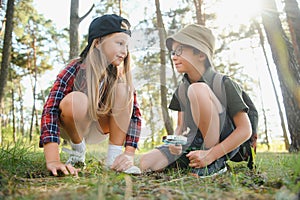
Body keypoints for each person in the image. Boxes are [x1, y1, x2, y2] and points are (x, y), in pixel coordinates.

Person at [140, 24, 252, 177]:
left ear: (201, 54)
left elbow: (245, 130)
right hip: (193, 141)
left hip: (220, 145)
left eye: (180, 50)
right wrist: (175, 144)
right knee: (146, 162)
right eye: (173, 52)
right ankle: (192, 160)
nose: (173, 56)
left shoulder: (224, 83)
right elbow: (181, 127)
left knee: (197, 90)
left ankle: (213, 163)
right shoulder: (181, 90)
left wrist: (211, 154)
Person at [39, 14, 142, 176]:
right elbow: (50, 110)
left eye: (127, 46)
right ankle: (78, 151)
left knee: (124, 89)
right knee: (77, 100)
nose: (125, 51)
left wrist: (128, 154)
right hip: (72, 125)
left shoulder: (120, 75)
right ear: (98, 43)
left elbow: (135, 116)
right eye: (120, 43)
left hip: (101, 127)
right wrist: (53, 159)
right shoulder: (75, 68)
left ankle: (114, 159)